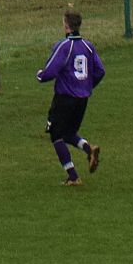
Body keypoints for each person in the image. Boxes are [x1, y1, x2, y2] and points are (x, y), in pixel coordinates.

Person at [36, 10, 104, 186]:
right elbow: (100, 71)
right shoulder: (88, 46)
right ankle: (89, 149)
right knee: (68, 133)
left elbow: (51, 70)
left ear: (66, 26)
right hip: (82, 99)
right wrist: (87, 86)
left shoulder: (64, 46)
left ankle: (73, 177)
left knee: (56, 135)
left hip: (65, 98)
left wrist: (40, 75)